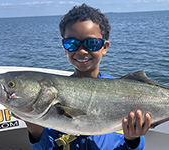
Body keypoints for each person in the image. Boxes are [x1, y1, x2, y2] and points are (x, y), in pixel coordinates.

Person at [23, 3, 152, 150]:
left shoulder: (122, 89)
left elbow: (133, 148)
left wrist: (133, 139)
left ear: (105, 47)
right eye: (71, 43)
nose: (82, 51)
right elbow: (47, 147)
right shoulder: (55, 96)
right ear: (64, 47)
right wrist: (34, 127)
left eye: (92, 43)